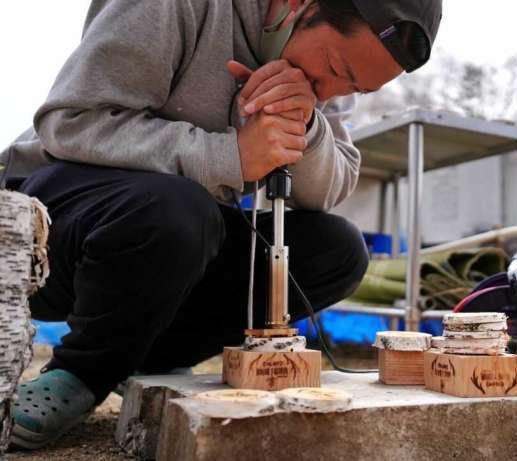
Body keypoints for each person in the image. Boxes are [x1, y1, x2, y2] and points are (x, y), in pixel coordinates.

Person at [0, 0, 442, 449]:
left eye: (353, 88)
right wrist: (229, 156)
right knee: (181, 210)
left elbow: (333, 185)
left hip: (174, 244)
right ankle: (80, 373)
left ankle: (144, 357)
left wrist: (305, 123)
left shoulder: (328, 73)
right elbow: (72, 122)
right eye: (332, 67)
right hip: (48, 226)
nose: (328, 91)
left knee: (338, 250)